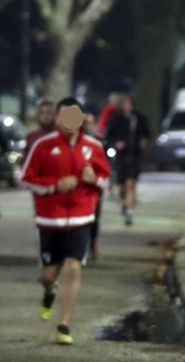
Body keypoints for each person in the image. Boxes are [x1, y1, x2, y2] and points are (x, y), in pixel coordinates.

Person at [20, 97, 111, 345]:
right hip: (51, 220)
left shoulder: (93, 146)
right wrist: (54, 186)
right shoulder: (43, 145)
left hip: (81, 217)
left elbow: (105, 179)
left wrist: (94, 179)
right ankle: (49, 292)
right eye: (64, 115)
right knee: (49, 275)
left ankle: (64, 325)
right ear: (58, 118)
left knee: (73, 267)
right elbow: (26, 179)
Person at [105, 94, 150, 226]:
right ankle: (124, 202)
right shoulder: (116, 119)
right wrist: (116, 144)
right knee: (122, 186)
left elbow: (146, 133)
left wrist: (143, 141)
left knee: (131, 183)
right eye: (125, 104)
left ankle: (129, 212)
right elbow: (109, 135)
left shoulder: (140, 118)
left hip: (135, 154)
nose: (127, 107)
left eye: (129, 104)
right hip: (121, 156)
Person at [83, 113, 106, 260]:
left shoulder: (99, 142)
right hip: (79, 188)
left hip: (94, 187)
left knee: (94, 218)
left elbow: (105, 164)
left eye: (91, 123)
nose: (88, 126)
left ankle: (92, 243)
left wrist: (97, 179)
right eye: (86, 123)